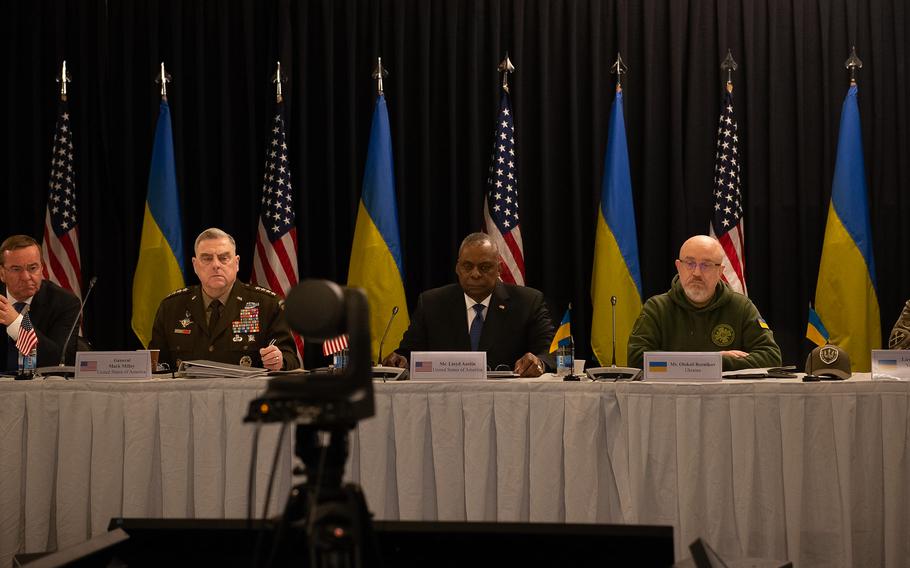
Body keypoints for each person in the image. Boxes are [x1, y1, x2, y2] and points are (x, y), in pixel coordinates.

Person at [382, 232, 554, 377]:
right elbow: (408, 354)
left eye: (485, 267)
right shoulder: (431, 303)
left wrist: (538, 362)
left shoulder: (528, 302)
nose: (475, 274)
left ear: (499, 269)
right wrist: (400, 360)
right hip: (445, 403)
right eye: (467, 266)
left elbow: (550, 354)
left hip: (508, 403)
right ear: (458, 268)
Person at [149, 228, 299, 371]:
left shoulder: (267, 304)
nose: (216, 265)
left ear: (236, 262)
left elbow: (291, 358)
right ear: (195, 265)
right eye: (207, 259)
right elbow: (157, 364)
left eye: (223, 258)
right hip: (186, 396)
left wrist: (279, 361)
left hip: (246, 396)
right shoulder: (171, 307)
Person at [627, 235, 781, 371]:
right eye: (690, 263)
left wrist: (711, 362)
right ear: (678, 267)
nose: (696, 273)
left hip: (724, 399)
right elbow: (637, 359)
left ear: (720, 271)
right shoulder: (657, 307)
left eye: (706, 265)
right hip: (672, 398)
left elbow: (771, 357)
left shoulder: (741, 306)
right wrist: (711, 360)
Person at [1, 235, 81, 373]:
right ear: (2, 274)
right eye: (16, 269)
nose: (26, 277)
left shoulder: (65, 303)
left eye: (33, 268)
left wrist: (16, 324)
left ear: (42, 268)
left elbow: (60, 361)